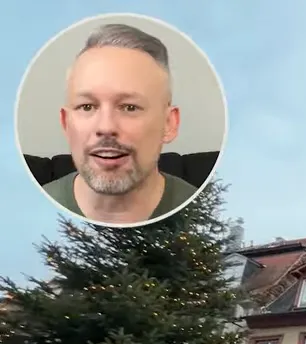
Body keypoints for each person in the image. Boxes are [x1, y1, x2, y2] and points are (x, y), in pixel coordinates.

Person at [44, 23, 198, 224]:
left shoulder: (197, 208)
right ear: (66, 123)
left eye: (129, 107)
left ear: (169, 124)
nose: (106, 127)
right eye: (87, 107)